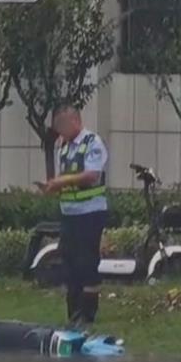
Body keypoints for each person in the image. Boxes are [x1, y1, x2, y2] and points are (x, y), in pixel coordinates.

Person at [37, 105, 108, 326]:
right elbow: (67, 178)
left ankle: (87, 314)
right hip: (69, 213)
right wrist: (53, 186)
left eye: (63, 125)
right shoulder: (64, 147)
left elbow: (91, 176)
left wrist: (61, 182)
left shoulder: (92, 143)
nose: (60, 131)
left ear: (75, 121)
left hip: (90, 213)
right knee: (69, 262)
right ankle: (73, 312)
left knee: (87, 262)